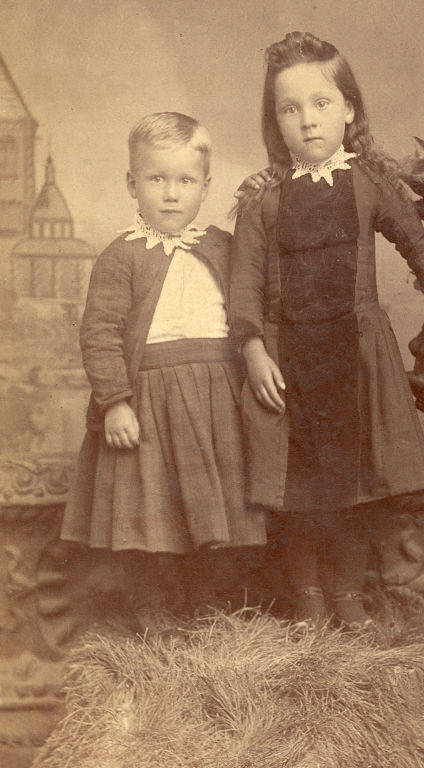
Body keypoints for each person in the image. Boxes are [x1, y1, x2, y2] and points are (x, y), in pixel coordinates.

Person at [229, 32, 424, 627]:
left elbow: (417, 245)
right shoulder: (263, 200)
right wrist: (252, 349)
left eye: (321, 103)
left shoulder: (368, 183)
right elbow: (244, 283)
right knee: (296, 492)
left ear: (349, 108)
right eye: (290, 108)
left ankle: (348, 598)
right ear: (274, 121)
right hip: (286, 360)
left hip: (353, 358)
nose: (307, 122)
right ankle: (305, 601)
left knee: (352, 489)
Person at [61, 112, 266, 618]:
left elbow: (253, 297)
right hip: (151, 402)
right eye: (157, 179)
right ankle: (155, 620)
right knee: (154, 516)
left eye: (185, 180)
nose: (171, 194)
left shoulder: (222, 246)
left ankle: (210, 613)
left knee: (218, 514)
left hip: (219, 398)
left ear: (205, 185)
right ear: (132, 184)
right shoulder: (122, 255)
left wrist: (261, 195)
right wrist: (115, 402)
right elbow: (100, 333)